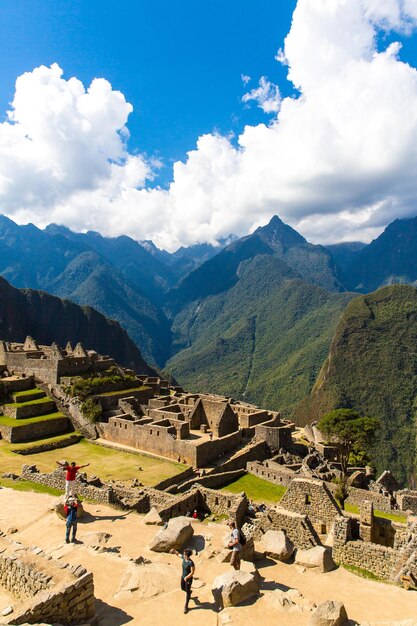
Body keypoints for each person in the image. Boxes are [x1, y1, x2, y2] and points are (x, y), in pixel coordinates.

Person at [170, 548, 195, 614]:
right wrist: (174, 551)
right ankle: (189, 591)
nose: (183, 555)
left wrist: (187, 577)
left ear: (187, 555)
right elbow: (178, 554)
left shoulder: (191, 563)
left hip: (188, 579)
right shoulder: (184, 558)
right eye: (183, 554)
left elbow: (192, 572)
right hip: (183, 577)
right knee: (182, 588)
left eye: (184, 554)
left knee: (187, 593)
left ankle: (186, 606)